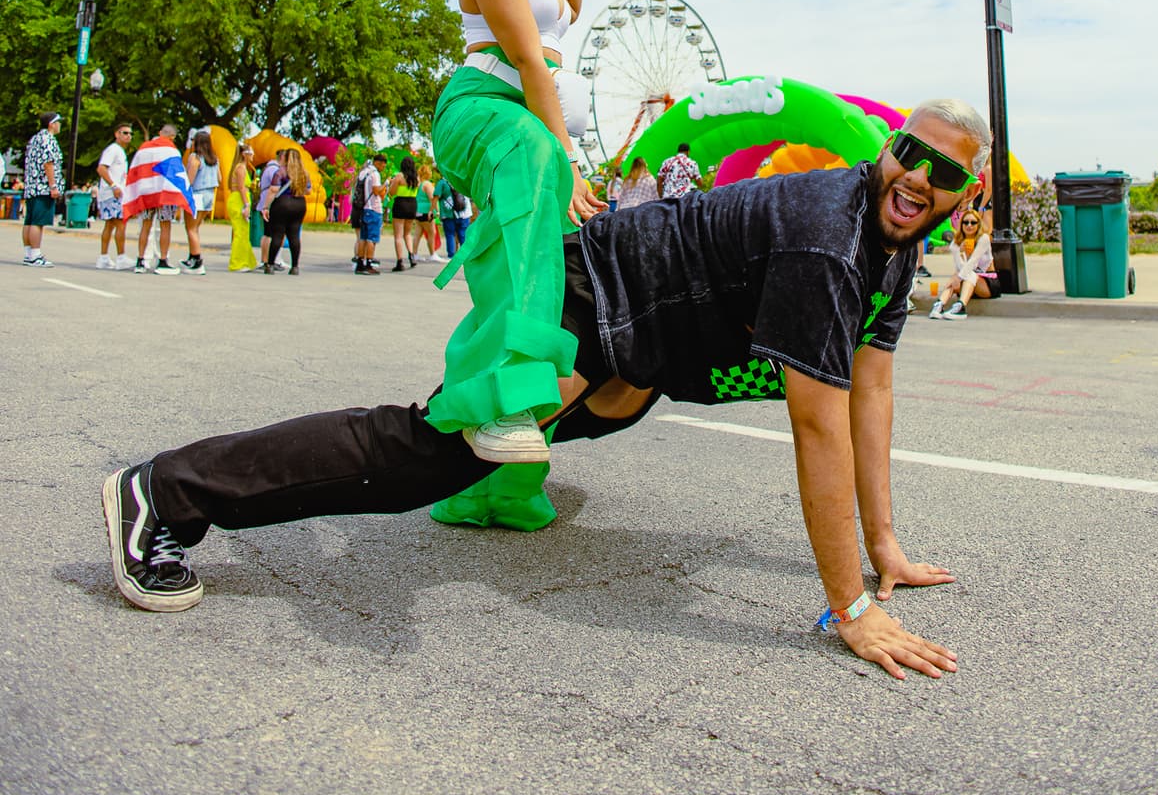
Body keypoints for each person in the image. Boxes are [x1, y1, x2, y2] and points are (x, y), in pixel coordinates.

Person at [100, 99, 988, 678]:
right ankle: (166, 491)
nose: (919, 178)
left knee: (621, 398)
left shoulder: (896, 251)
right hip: (583, 294)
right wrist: (851, 606)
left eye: (944, 173)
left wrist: (886, 545)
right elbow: (821, 427)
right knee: (429, 454)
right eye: (911, 154)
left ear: (962, 192)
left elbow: (872, 392)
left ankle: (508, 450)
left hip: (639, 343)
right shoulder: (827, 236)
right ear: (888, 149)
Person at [425, 0, 600, 476]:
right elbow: (530, 61)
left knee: (545, 254)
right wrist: (569, 160)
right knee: (534, 185)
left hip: (526, 119)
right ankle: (504, 398)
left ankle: (495, 483)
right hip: (487, 111)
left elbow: (568, 13)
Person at [126, 125, 197, 275]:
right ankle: (163, 261)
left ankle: (141, 261)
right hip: (165, 194)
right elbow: (177, 175)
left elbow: (135, 170)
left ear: (159, 133)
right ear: (172, 137)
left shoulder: (144, 148)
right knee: (165, 226)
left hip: (146, 193)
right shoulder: (171, 150)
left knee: (145, 226)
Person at [930, 208, 999, 319]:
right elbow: (960, 267)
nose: (969, 225)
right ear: (961, 225)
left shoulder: (983, 239)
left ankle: (960, 307)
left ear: (978, 224)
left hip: (987, 282)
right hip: (968, 281)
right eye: (965, 222)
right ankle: (939, 305)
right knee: (958, 275)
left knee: (967, 275)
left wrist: (958, 278)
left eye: (973, 222)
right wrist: (959, 251)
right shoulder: (956, 243)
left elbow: (973, 263)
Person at [21, 112, 64, 267]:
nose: (60, 125)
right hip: (43, 187)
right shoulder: (48, 139)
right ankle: (35, 254)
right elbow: (48, 163)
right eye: (58, 122)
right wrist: (53, 185)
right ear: (51, 124)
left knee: (30, 220)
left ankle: (28, 253)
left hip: (32, 186)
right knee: (38, 222)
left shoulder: (35, 139)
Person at [264, 147, 311, 275]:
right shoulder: (304, 173)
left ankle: (270, 264)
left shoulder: (281, 172)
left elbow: (274, 189)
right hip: (299, 204)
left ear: (286, 158)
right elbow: (308, 191)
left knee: (278, 234)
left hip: (282, 203)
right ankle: (295, 266)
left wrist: (266, 206)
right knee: (294, 235)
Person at [94, 119, 133, 268]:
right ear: (117, 134)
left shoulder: (120, 152)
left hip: (110, 192)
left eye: (130, 134)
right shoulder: (113, 150)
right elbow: (101, 168)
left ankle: (103, 257)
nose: (128, 136)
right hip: (112, 193)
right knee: (120, 223)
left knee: (110, 225)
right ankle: (121, 257)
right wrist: (114, 185)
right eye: (125, 133)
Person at [181, 131, 221, 275]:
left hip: (197, 194)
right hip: (209, 195)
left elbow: (190, 180)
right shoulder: (214, 159)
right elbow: (219, 178)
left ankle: (197, 260)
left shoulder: (195, 157)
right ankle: (192, 256)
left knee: (190, 228)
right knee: (196, 227)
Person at [226, 144, 257, 272]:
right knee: (239, 232)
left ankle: (247, 261)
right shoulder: (240, 169)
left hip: (241, 199)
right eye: (251, 153)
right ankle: (236, 263)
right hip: (238, 200)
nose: (253, 156)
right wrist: (246, 205)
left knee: (244, 232)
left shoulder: (245, 168)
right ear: (245, 154)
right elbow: (241, 187)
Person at [354, 152, 386, 275]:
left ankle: (360, 263)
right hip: (373, 209)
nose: (383, 168)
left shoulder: (364, 172)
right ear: (378, 163)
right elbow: (376, 191)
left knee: (363, 237)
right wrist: (386, 184)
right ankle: (369, 263)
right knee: (371, 239)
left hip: (363, 208)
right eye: (383, 165)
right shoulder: (375, 174)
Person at [387, 155, 419, 271]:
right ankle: (411, 256)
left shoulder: (400, 176)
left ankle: (400, 261)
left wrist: (391, 182)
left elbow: (392, 192)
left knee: (398, 235)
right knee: (407, 233)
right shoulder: (416, 178)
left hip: (401, 203)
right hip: (412, 204)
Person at [412, 167, 444, 265]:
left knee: (417, 234)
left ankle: (414, 254)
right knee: (432, 233)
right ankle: (432, 254)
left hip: (418, 211)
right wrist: (434, 211)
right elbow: (432, 199)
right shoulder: (427, 184)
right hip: (426, 212)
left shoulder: (419, 185)